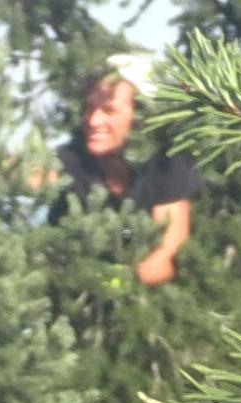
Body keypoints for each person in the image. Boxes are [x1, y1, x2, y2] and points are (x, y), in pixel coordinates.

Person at [51, 57, 199, 287]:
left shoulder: (166, 163)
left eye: (109, 110)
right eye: (90, 108)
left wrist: (114, 282)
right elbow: (34, 173)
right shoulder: (73, 159)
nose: (93, 120)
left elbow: (168, 256)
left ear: (139, 117)